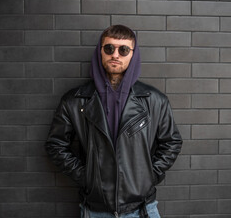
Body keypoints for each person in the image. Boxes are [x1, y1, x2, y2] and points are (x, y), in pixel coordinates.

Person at [45, 25, 182, 218]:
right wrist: (87, 177)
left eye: (123, 49)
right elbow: (56, 145)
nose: (115, 55)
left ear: (132, 54)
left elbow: (172, 142)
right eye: (109, 48)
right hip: (95, 209)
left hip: (142, 209)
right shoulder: (74, 101)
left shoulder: (154, 100)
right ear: (100, 52)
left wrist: (148, 175)